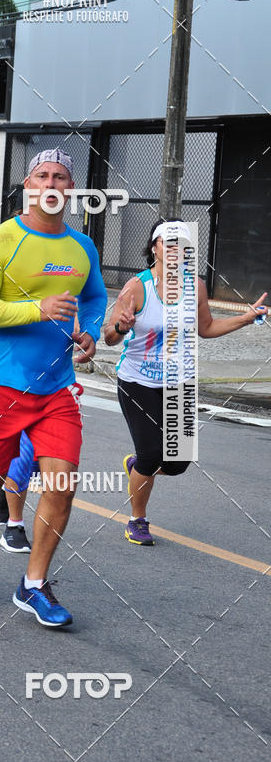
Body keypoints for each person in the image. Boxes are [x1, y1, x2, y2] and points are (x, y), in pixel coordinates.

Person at [0, 148, 107, 628]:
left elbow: (95, 295)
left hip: (57, 387)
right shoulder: (1, 241)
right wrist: (37, 310)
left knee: (61, 484)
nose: (52, 184)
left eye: (61, 177)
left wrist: (90, 331)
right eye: (42, 175)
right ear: (28, 185)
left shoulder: (82, 246)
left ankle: (34, 584)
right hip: (2, 382)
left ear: (71, 189)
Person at [104, 218, 268, 546]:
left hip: (179, 382)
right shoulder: (137, 287)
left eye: (182, 244)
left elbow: (205, 328)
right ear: (154, 248)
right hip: (138, 381)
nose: (175, 249)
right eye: (168, 243)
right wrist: (121, 326)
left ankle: (137, 467)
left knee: (178, 463)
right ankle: (137, 519)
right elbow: (109, 337)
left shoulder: (197, 287)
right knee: (152, 453)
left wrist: (245, 319)